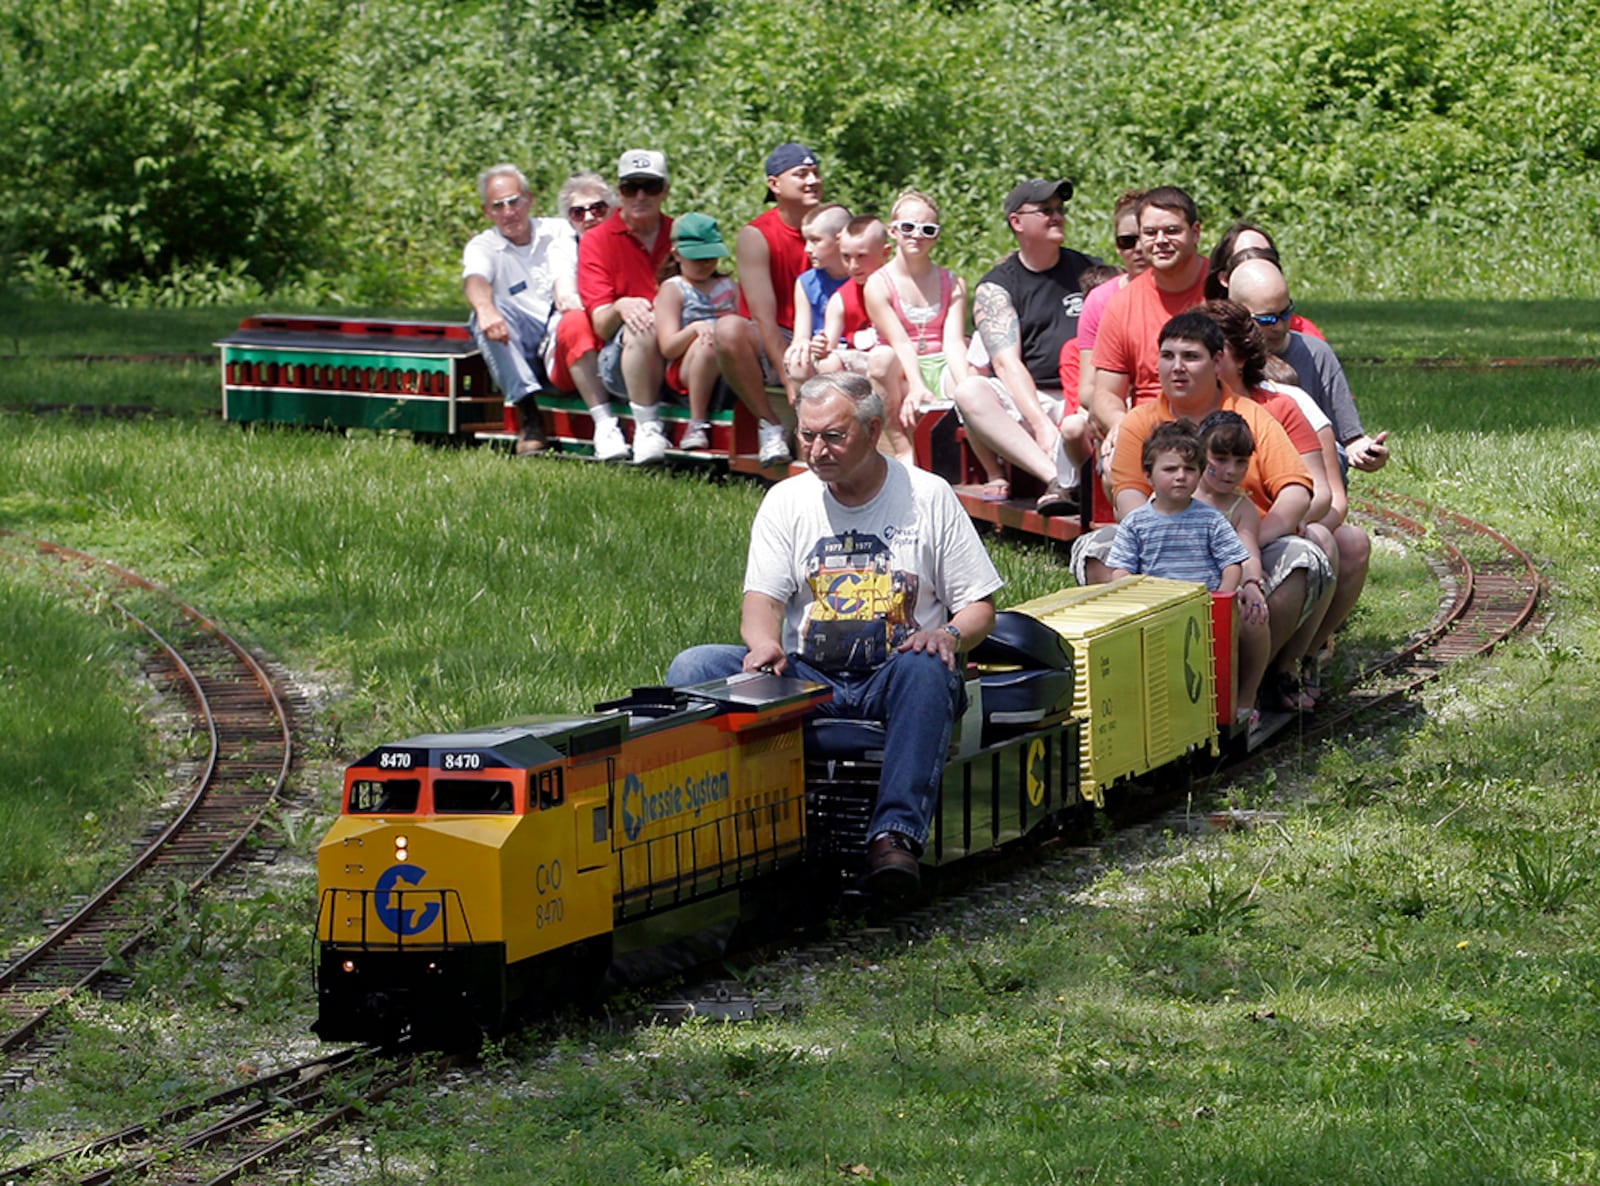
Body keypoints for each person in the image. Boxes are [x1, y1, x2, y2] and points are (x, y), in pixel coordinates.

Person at [664, 372, 1002, 897]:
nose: (817, 450)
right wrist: (764, 644)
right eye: (807, 436)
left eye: (833, 436)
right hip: (809, 679)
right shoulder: (787, 500)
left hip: (895, 673)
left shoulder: (928, 496)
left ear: (872, 429)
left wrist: (950, 636)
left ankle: (894, 837)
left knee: (927, 667)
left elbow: (980, 605)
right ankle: (718, 833)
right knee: (695, 668)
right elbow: (764, 600)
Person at [1073, 311, 1333, 711]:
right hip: (1158, 545)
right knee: (1095, 548)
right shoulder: (1141, 421)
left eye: (1190, 357)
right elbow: (1128, 497)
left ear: (1216, 363)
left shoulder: (1250, 416)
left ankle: (1252, 677)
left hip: (1246, 544)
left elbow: (1297, 490)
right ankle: (1132, 668)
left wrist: (1244, 543)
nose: (1176, 367)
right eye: (1167, 356)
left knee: (1303, 556)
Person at [951, 179, 1098, 515]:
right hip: (1035, 400)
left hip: (1085, 394)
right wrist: (1041, 424)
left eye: (1060, 210)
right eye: (1045, 211)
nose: (1057, 216)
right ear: (1017, 222)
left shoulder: (1090, 270)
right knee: (970, 390)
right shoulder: (997, 287)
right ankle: (1060, 480)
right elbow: (1006, 364)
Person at [462, 163, 590, 457]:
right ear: (487, 212)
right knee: (486, 315)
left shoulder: (560, 230)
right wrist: (484, 309)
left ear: (529, 200)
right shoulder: (483, 246)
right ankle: (529, 417)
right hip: (524, 339)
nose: (509, 212)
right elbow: (475, 279)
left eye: (514, 201)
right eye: (498, 206)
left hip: (567, 329)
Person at [715, 142, 826, 465]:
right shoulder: (756, 235)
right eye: (801, 174)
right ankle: (769, 424)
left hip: (823, 337)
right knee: (728, 329)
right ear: (774, 184)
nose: (812, 180)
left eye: (816, 173)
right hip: (776, 336)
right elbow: (763, 318)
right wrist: (791, 377)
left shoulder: (834, 225)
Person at [1227, 258, 1390, 474]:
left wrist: (1367, 452)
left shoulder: (1316, 353)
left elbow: (1349, 438)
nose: (1280, 326)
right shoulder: (1219, 358)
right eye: (1266, 319)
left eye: (1286, 313)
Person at [1090, 187, 1211, 456]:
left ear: (1196, 232)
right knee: (1113, 466)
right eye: (1150, 233)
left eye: (1171, 231)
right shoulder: (1122, 305)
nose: (1160, 241)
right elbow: (1106, 394)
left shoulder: (1223, 289)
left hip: (1220, 426)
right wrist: (1122, 425)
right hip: (1150, 433)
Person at [577, 149, 675, 464]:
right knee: (641, 324)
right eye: (632, 188)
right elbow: (600, 325)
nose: (641, 196)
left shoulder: (681, 234)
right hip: (620, 362)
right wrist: (621, 305)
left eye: (651, 186)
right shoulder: (598, 241)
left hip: (677, 348)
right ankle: (647, 428)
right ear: (620, 193)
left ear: (665, 191)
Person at [864, 191, 970, 464]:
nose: (917, 235)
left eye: (928, 229)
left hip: (942, 360)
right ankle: (901, 446)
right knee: (880, 358)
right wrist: (917, 384)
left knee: (973, 375)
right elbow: (899, 342)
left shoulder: (953, 282)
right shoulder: (878, 283)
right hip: (899, 366)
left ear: (937, 235)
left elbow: (954, 343)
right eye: (908, 227)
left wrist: (967, 385)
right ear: (893, 231)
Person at [1193, 411, 1275, 719]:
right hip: (1178, 583)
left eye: (1241, 462)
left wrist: (1252, 583)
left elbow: (1248, 550)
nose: (1231, 471)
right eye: (1221, 459)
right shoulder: (1180, 494)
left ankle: (1245, 698)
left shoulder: (1240, 508)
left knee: (1252, 616)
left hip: (1223, 587)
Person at [540, 171, 627, 460]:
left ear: (613, 209)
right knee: (575, 320)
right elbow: (566, 297)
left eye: (598, 208)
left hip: (616, 340)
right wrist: (610, 307)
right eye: (578, 212)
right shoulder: (564, 248)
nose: (589, 217)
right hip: (572, 351)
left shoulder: (626, 243)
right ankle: (604, 425)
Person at [1106, 421, 1250, 593]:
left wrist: (1220, 598)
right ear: (1148, 475)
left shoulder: (1212, 520)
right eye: (1170, 469)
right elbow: (1122, 568)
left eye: (1189, 469)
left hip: (1203, 607)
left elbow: (1232, 563)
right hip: (1155, 608)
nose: (1181, 476)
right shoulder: (1134, 523)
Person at [654, 213, 740, 451]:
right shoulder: (674, 289)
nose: (705, 264)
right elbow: (668, 347)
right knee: (708, 341)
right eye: (697, 258)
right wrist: (694, 329)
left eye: (710, 258)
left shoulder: (728, 286)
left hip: (729, 360)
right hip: (685, 366)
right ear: (677, 254)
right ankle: (697, 422)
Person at [1074, 189, 1149, 413]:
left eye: (1145, 237)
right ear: (1117, 247)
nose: (1138, 248)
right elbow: (1086, 390)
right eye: (1127, 241)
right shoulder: (1100, 300)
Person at [1203, 221, 1326, 341]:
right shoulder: (1206, 336)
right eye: (1246, 257)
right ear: (1224, 278)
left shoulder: (1307, 336)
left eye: (1268, 256)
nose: (1259, 261)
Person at [783, 203, 853, 388]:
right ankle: (804, 414)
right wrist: (803, 344)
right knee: (797, 359)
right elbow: (801, 334)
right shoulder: (806, 283)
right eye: (806, 240)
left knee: (830, 363)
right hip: (819, 352)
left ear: (839, 240)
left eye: (815, 240)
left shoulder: (864, 277)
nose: (807, 249)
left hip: (852, 351)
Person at [821, 216, 891, 375]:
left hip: (895, 362)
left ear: (885, 253)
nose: (853, 266)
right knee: (827, 363)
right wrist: (820, 347)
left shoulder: (902, 289)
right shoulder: (840, 299)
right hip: (861, 365)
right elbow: (828, 345)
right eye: (846, 257)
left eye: (861, 256)